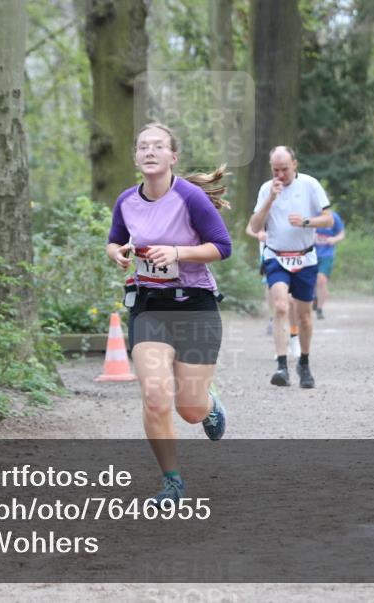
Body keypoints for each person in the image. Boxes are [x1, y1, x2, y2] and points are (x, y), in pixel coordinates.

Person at [106, 122, 232, 504]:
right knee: (156, 396)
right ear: (135, 157)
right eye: (143, 146)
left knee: (189, 408)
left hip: (195, 304)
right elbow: (114, 241)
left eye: (158, 146)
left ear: (173, 156)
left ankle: (208, 405)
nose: (149, 151)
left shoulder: (190, 197)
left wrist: (177, 252)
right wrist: (116, 252)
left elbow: (222, 246)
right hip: (149, 306)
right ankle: (172, 480)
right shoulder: (126, 201)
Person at [249, 146, 334, 389]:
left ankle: (304, 363)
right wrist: (269, 201)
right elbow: (255, 227)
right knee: (280, 305)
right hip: (275, 256)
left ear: (295, 164)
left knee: (305, 317)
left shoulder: (309, 184)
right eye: (275, 170)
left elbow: (328, 218)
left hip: (305, 258)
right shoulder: (267, 189)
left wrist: (306, 221)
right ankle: (281, 365)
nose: (280, 175)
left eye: (284, 169)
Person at [245, 221, 301, 356]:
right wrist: (259, 234)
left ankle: (294, 335)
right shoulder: (265, 205)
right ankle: (281, 343)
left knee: (291, 300)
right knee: (279, 302)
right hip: (269, 257)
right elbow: (249, 228)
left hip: (291, 256)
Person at [313, 211, 345, 319]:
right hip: (309, 253)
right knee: (310, 281)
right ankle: (314, 298)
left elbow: (341, 234)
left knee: (321, 280)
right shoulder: (309, 214)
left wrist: (334, 239)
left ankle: (319, 309)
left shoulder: (333, 216)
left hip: (326, 254)